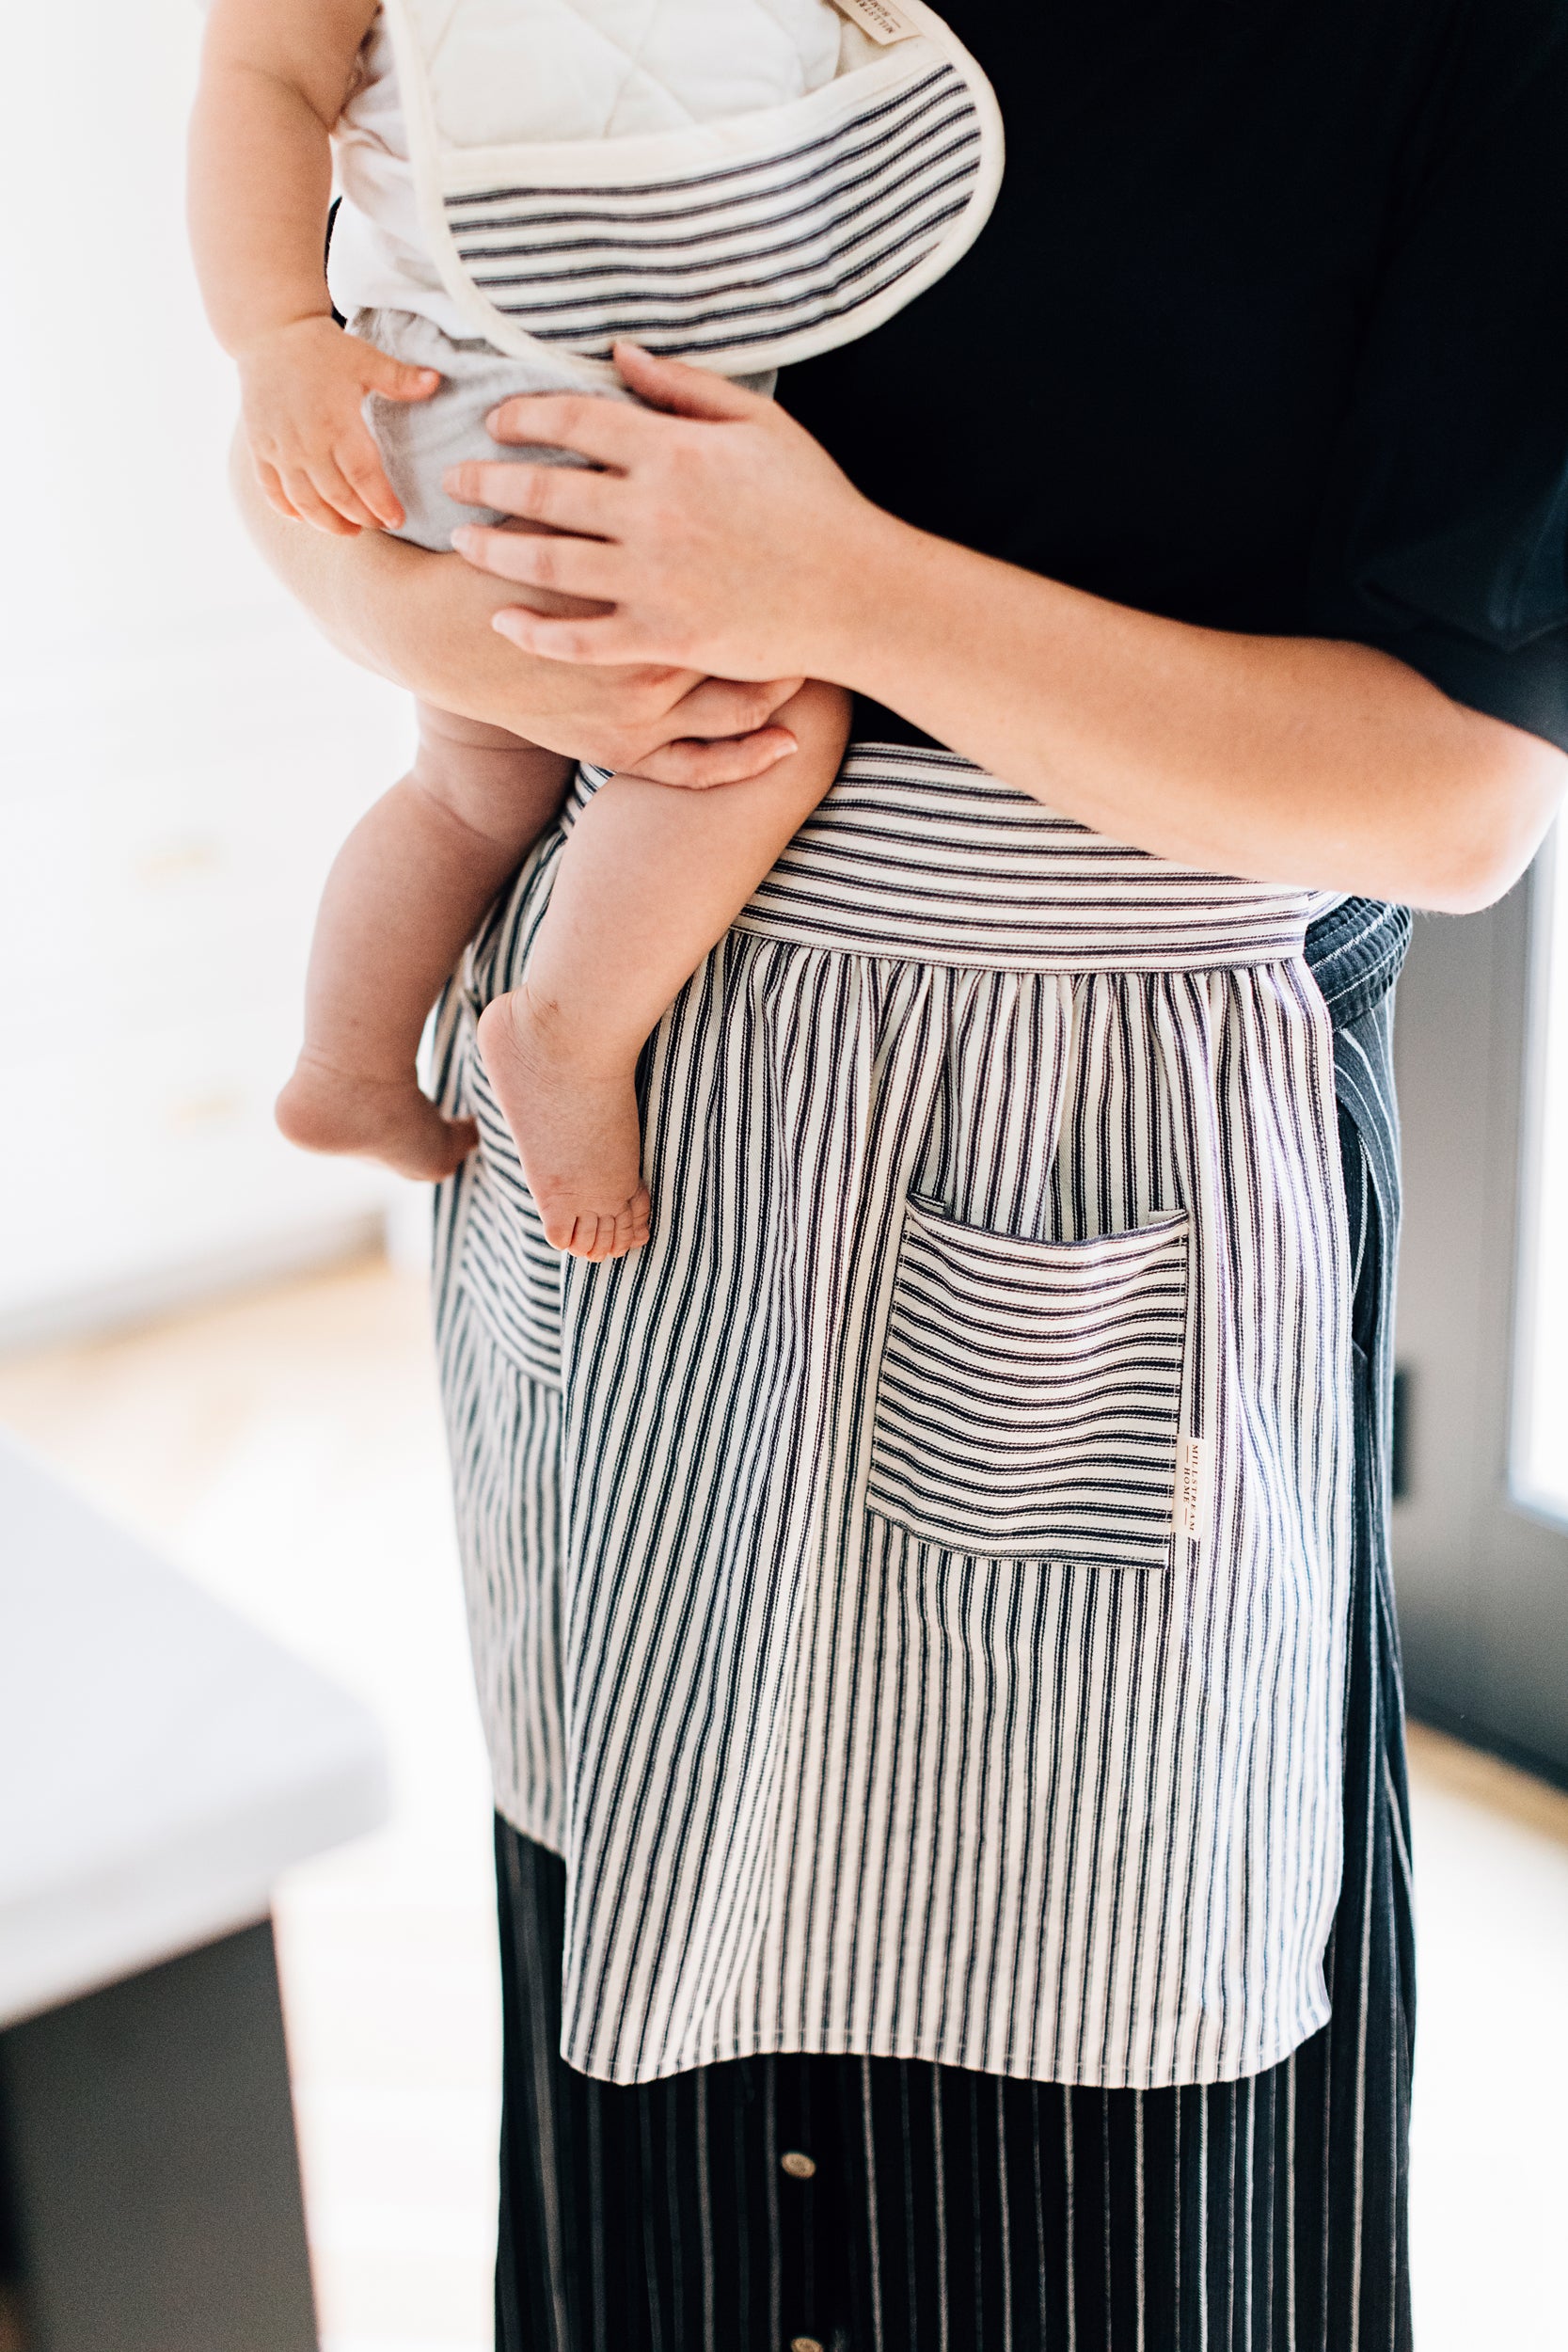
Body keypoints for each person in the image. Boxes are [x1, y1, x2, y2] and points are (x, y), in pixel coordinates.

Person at [231, 0, 1568, 2340]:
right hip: (627, 1171)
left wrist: (833, 591)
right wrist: (408, 606)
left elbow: (1454, 797)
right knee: (648, 2021)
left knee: (1099, 2149)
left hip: (1103, 1194)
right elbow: (356, 383)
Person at [188, 0, 856, 1256]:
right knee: (778, 714)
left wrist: (282, 339)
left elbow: (260, 75)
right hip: (542, 413)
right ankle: (566, 1029)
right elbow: (259, 75)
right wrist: (271, 336)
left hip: (444, 408)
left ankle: (350, 1065)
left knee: (466, 786)